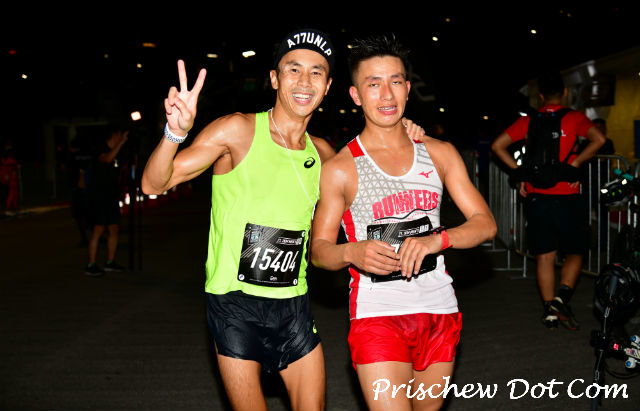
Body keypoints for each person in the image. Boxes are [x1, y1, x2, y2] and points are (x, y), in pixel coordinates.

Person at [141, 28, 426, 411]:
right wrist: (174, 133)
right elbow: (154, 183)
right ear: (274, 78)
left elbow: (377, 195)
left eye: (316, 72)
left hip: (293, 306)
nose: (304, 82)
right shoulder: (238, 131)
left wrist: (402, 132)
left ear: (327, 87)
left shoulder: (324, 155)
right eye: (294, 70)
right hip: (234, 304)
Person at [310, 34, 496, 411]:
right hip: (377, 314)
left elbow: (485, 224)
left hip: (439, 309)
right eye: (373, 84)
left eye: (395, 81)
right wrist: (352, 252)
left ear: (408, 89)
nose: (386, 94)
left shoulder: (439, 153)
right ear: (355, 95)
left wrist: (437, 240)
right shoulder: (340, 168)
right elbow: (319, 251)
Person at [491, 72, 605, 330]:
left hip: (537, 196)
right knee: (576, 251)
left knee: (545, 255)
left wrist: (520, 174)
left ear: (541, 95)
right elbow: (598, 139)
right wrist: (575, 164)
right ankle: (561, 299)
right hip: (567, 195)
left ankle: (549, 313)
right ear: (564, 92)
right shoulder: (574, 118)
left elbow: (498, 146)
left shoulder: (529, 121)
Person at [85, 126, 129, 276]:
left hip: (111, 197)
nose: (121, 136)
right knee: (98, 230)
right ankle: (91, 264)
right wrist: (121, 143)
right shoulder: (100, 150)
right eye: (120, 134)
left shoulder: (119, 152)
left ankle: (110, 262)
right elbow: (107, 159)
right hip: (99, 197)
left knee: (114, 229)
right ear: (114, 135)